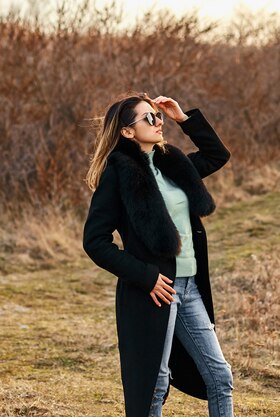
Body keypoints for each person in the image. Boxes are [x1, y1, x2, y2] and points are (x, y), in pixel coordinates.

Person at [82, 92, 234, 417]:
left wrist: (183, 118)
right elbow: (95, 241)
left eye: (158, 116)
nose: (158, 122)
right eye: (149, 118)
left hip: (190, 288)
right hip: (154, 292)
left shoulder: (173, 164)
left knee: (220, 377)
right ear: (126, 131)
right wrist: (146, 276)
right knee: (156, 384)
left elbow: (218, 155)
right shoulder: (119, 175)